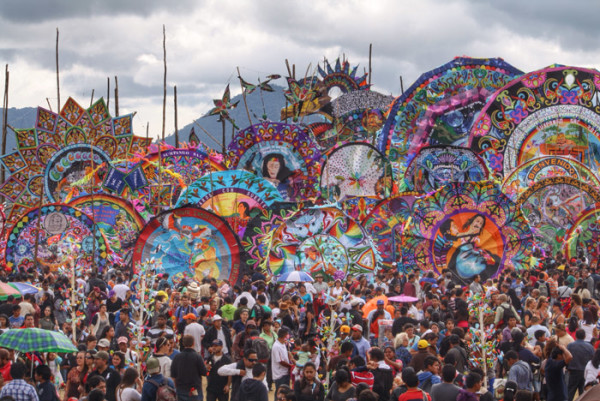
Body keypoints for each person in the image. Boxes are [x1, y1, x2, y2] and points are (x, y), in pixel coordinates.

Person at [170, 335, 207, 401]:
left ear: (183, 344)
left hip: (181, 388)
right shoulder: (197, 357)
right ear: (193, 343)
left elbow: (173, 375)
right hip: (194, 389)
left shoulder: (177, 357)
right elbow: (204, 373)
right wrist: (206, 367)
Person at [566, 328, 595, 401]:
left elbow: (566, 357)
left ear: (575, 336)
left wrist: (567, 367)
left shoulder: (570, 345)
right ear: (585, 336)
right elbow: (592, 359)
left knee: (570, 391)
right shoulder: (590, 347)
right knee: (583, 392)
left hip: (573, 371)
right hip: (584, 371)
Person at [271, 327, 293, 398]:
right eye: (287, 335)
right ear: (283, 336)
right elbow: (280, 361)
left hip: (285, 372)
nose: (288, 337)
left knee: (285, 392)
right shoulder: (276, 346)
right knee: (279, 392)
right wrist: (290, 366)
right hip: (279, 374)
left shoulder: (283, 343)